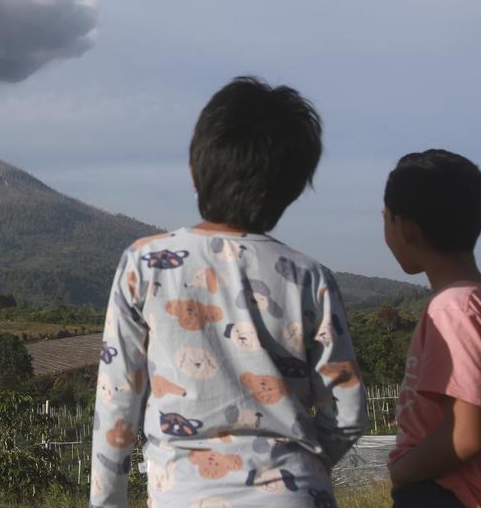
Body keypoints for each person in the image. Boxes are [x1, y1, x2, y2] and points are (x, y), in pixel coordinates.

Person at [91, 76, 366, 508]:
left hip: (185, 494)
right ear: (294, 186)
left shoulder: (145, 264)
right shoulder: (311, 278)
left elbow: (117, 402)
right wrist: (300, 469)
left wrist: (107, 502)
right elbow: (346, 413)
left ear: (194, 168)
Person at [383, 150, 481, 507]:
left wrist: (401, 470)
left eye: (385, 219)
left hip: (455, 496)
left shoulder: (452, 308)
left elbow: (465, 435)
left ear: (407, 230)